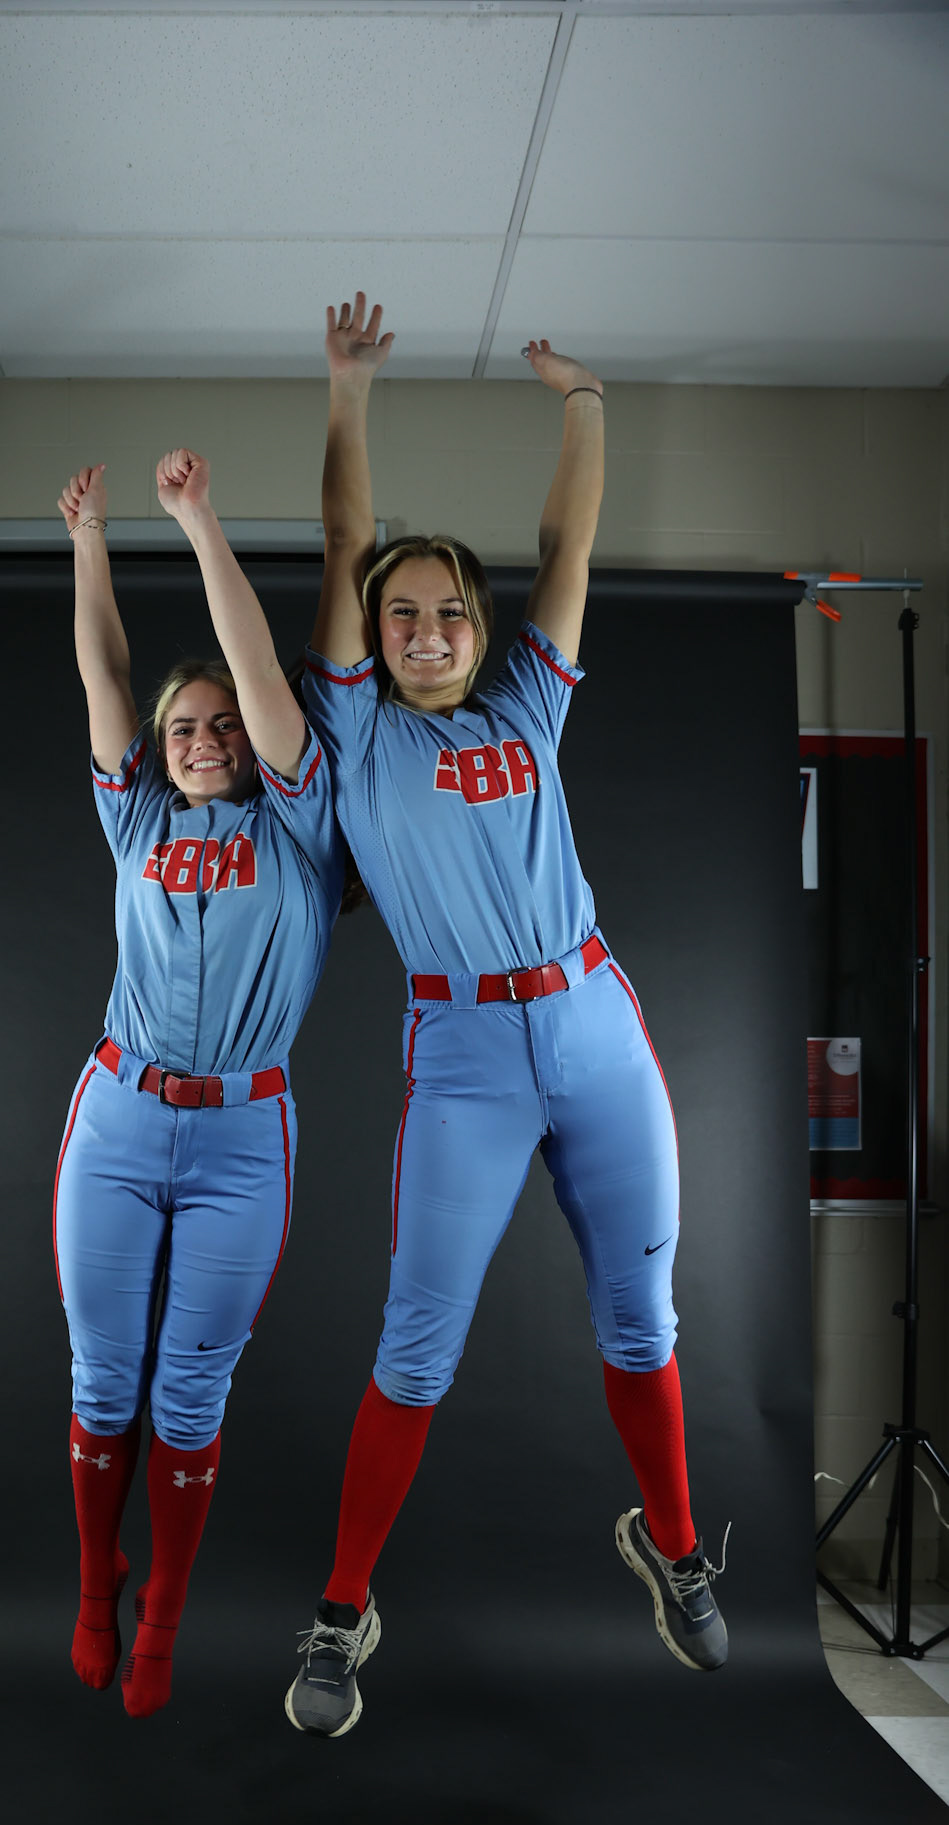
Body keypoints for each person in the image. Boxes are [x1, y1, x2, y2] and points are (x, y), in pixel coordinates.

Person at [284, 296, 728, 1739]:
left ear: (480, 627)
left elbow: (571, 545)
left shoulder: (529, 704)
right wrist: (347, 393)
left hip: (593, 1024)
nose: (419, 627)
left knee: (639, 1316)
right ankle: (342, 1613)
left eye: (445, 610)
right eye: (398, 611)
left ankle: (669, 1548)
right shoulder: (355, 731)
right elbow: (346, 542)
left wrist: (584, 402)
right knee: (416, 1347)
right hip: (467, 1055)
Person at [54, 448, 342, 1718]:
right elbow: (107, 675)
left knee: (188, 1387)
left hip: (242, 1138)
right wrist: (91, 546)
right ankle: (94, 1585)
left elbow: (259, 678)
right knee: (102, 1375)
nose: (206, 737)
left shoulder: (303, 827)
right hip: (119, 1117)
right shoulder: (138, 824)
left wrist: (196, 518)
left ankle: (165, 1605)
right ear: (159, 754)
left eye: (223, 722)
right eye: (186, 727)